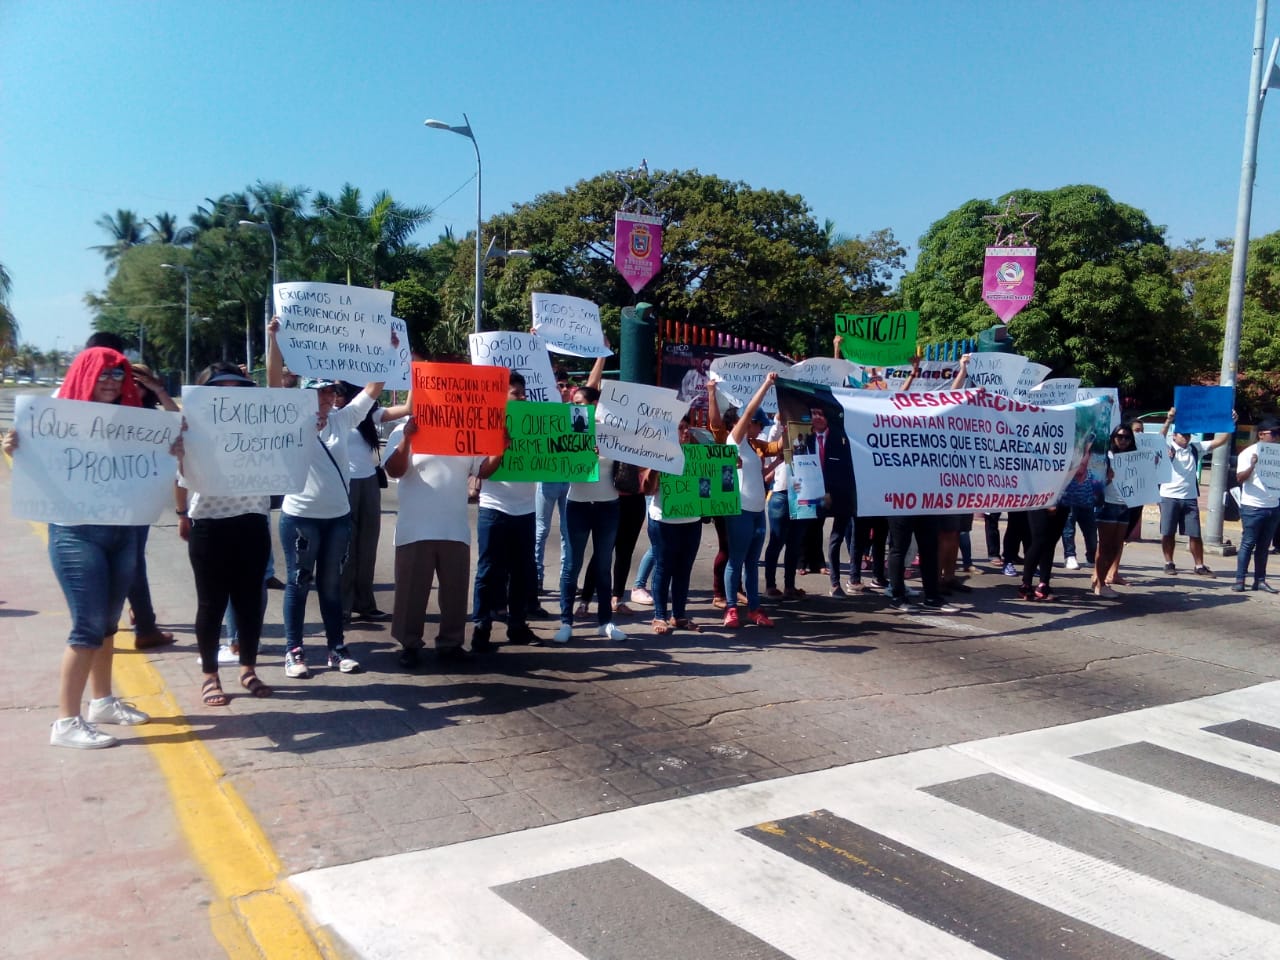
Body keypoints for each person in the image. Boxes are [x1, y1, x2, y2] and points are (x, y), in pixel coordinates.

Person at [4, 347, 168, 747]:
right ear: (84, 375)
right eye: (103, 374)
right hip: (76, 534)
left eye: (118, 374)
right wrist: (15, 450)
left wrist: (171, 451)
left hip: (122, 530)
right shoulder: (55, 419)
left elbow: (159, 458)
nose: (111, 381)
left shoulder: (134, 421)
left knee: (109, 624)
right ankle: (65, 722)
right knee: (88, 626)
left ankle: (103, 701)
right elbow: (32, 465)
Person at [268, 320, 384, 677]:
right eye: (319, 393)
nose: (326, 398)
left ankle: (337, 649)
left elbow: (373, 390)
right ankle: (294, 652)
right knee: (299, 585)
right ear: (305, 394)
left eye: (330, 393)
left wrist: (384, 349)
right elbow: (273, 383)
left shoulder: (342, 419)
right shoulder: (289, 419)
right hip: (301, 518)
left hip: (337, 519)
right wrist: (274, 340)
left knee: (331, 586)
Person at [174, 362, 274, 705]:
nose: (229, 392)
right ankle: (210, 676)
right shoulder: (191, 428)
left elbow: (277, 390)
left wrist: (273, 341)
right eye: (220, 387)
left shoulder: (261, 422)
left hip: (252, 521)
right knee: (211, 603)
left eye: (236, 386)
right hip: (209, 523)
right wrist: (181, 514)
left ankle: (248, 668)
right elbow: (179, 477)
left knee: (250, 603)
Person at [383, 415, 505, 665]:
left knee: (455, 592)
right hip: (415, 528)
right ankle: (409, 644)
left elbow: (483, 471)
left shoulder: (467, 429)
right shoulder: (402, 430)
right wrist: (407, 437)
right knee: (410, 592)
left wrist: (500, 449)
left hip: (455, 527)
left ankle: (451, 643)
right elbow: (394, 469)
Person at [472, 372, 542, 648]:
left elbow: (556, 458)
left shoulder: (535, 423)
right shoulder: (487, 425)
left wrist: (583, 452)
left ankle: (517, 625)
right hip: (495, 508)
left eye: (524, 393)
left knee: (523, 571)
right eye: (516, 393)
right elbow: (481, 471)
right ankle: (481, 626)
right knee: (488, 570)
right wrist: (500, 449)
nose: (522, 397)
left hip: (525, 509)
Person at [555, 381, 627, 644]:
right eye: (574, 404)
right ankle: (566, 622)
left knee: (603, 564)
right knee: (571, 564)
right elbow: (557, 459)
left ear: (595, 406)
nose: (574, 408)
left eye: (580, 404)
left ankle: (605, 622)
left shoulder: (612, 430)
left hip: (608, 505)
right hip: (578, 504)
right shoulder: (569, 429)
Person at [334, 382, 409, 623]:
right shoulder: (334, 417)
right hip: (343, 485)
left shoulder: (366, 414)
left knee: (367, 545)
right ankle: (342, 605)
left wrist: (415, 376)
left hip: (368, 484)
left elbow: (407, 408)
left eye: (340, 392)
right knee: (346, 548)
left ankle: (364, 603)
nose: (335, 397)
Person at [717, 374, 780, 628]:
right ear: (747, 423)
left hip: (757, 511)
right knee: (736, 560)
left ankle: (754, 608)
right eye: (757, 424)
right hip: (740, 510)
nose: (760, 428)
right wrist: (766, 384)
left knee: (752, 563)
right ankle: (731, 608)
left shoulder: (754, 447)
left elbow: (762, 472)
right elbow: (750, 410)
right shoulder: (736, 441)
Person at [642, 418, 703, 634]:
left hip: (692, 521)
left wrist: (728, 469)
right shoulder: (659, 453)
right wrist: (657, 466)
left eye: (687, 428)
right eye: (680, 428)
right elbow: (648, 490)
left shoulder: (698, 455)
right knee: (664, 568)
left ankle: (679, 616)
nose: (685, 431)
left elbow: (709, 484)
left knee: (684, 570)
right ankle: (659, 616)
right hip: (663, 521)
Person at [1157, 406, 1233, 577]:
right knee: (1167, 532)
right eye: (1183, 434)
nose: (1186, 437)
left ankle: (1199, 565)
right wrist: (1169, 420)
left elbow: (1219, 441)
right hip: (1168, 496)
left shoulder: (1195, 448)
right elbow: (1159, 438)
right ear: (1175, 435)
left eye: (1188, 434)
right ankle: (1168, 563)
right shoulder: (1167, 447)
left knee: (1195, 534)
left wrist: (1230, 424)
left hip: (1190, 498)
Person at [1231, 417, 1280, 593]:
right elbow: (1239, 478)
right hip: (1253, 507)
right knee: (1248, 544)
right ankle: (1240, 580)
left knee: (1264, 546)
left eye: (1278, 434)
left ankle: (1260, 580)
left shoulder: (1277, 453)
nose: (1276, 437)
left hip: (1273, 506)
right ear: (1261, 435)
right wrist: (1253, 465)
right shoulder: (1248, 453)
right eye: (1273, 433)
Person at [1093, 424, 1135, 599]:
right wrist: (1107, 479)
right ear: (1113, 438)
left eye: (1126, 437)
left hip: (1125, 505)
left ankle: (1101, 580)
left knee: (1116, 547)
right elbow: (1095, 483)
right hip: (1108, 504)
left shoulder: (1134, 458)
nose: (1123, 440)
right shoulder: (1106, 456)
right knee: (1105, 546)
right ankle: (1099, 582)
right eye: (1119, 436)